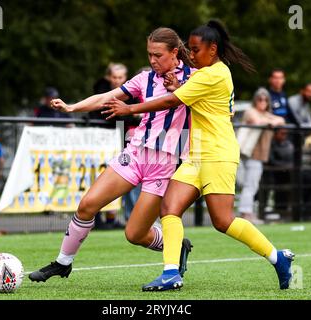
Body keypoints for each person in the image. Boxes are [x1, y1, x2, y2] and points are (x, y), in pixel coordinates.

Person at [103, 19, 295, 291]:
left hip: (218, 155)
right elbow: (182, 93)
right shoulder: (204, 72)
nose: (190, 55)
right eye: (189, 50)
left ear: (213, 49)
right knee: (170, 208)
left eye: (195, 50)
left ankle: (278, 258)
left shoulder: (213, 74)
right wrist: (174, 86)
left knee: (222, 221)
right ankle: (170, 273)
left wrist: (130, 109)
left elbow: (173, 101)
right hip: (195, 155)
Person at [28, 27, 195, 283]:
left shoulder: (195, 78)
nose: (152, 60)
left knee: (135, 234)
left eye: (158, 55)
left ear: (174, 52)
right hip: (135, 153)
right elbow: (106, 96)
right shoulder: (144, 79)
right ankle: (63, 263)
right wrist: (72, 107)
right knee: (87, 205)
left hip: (164, 163)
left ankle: (175, 245)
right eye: (149, 54)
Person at [90, 63, 142, 229]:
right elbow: (106, 116)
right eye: (114, 77)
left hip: (125, 145)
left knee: (128, 182)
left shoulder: (131, 94)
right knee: (101, 180)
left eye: (121, 77)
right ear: (108, 77)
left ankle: (125, 219)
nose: (117, 80)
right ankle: (96, 218)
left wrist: (131, 115)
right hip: (104, 144)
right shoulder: (102, 93)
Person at [237, 88, 284, 225]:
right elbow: (257, 121)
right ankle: (246, 214)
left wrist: (272, 121)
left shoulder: (266, 115)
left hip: (258, 154)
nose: (262, 102)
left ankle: (246, 213)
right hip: (250, 153)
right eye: (259, 99)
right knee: (250, 185)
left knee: (252, 184)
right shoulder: (251, 111)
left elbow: (280, 119)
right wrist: (270, 121)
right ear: (255, 100)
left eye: (265, 100)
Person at [269, 128, 311, 220]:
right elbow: (271, 162)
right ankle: (305, 209)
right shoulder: (271, 145)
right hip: (286, 173)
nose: (284, 135)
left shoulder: (289, 143)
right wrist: (288, 166)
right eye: (282, 133)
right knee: (310, 180)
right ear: (275, 134)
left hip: (301, 168)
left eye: (285, 133)